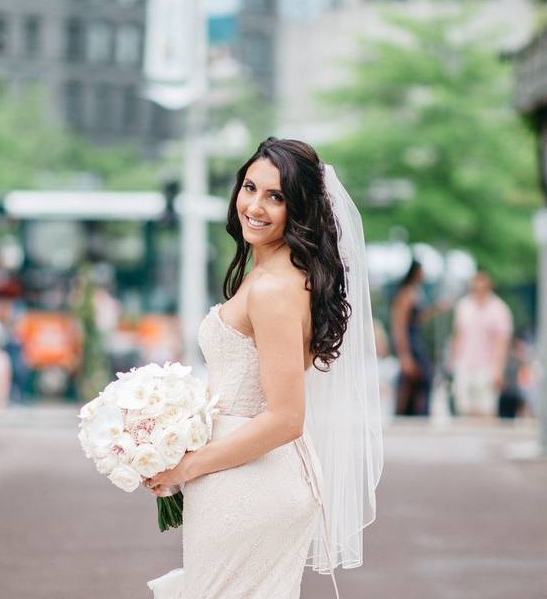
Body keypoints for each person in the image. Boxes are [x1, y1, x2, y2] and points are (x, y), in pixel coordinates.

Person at [145, 138, 383, 598]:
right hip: (246, 474)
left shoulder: (274, 289)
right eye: (250, 187)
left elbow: (285, 418)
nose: (255, 205)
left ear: (300, 209)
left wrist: (187, 468)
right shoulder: (281, 276)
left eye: (275, 197)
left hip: (250, 481)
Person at [450, 271, 513, 418]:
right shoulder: (463, 306)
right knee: (465, 410)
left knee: (486, 411)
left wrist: (498, 370)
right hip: (464, 365)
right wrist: (453, 363)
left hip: (487, 367)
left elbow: (502, 342)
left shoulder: (499, 309)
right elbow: (458, 335)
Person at [390, 261, 434, 416]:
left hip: (417, 341)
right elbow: (399, 325)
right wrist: (404, 355)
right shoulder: (405, 294)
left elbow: (418, 318)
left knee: (422, 381)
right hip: (410, 344)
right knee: (410, 383)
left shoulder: (417, 292)